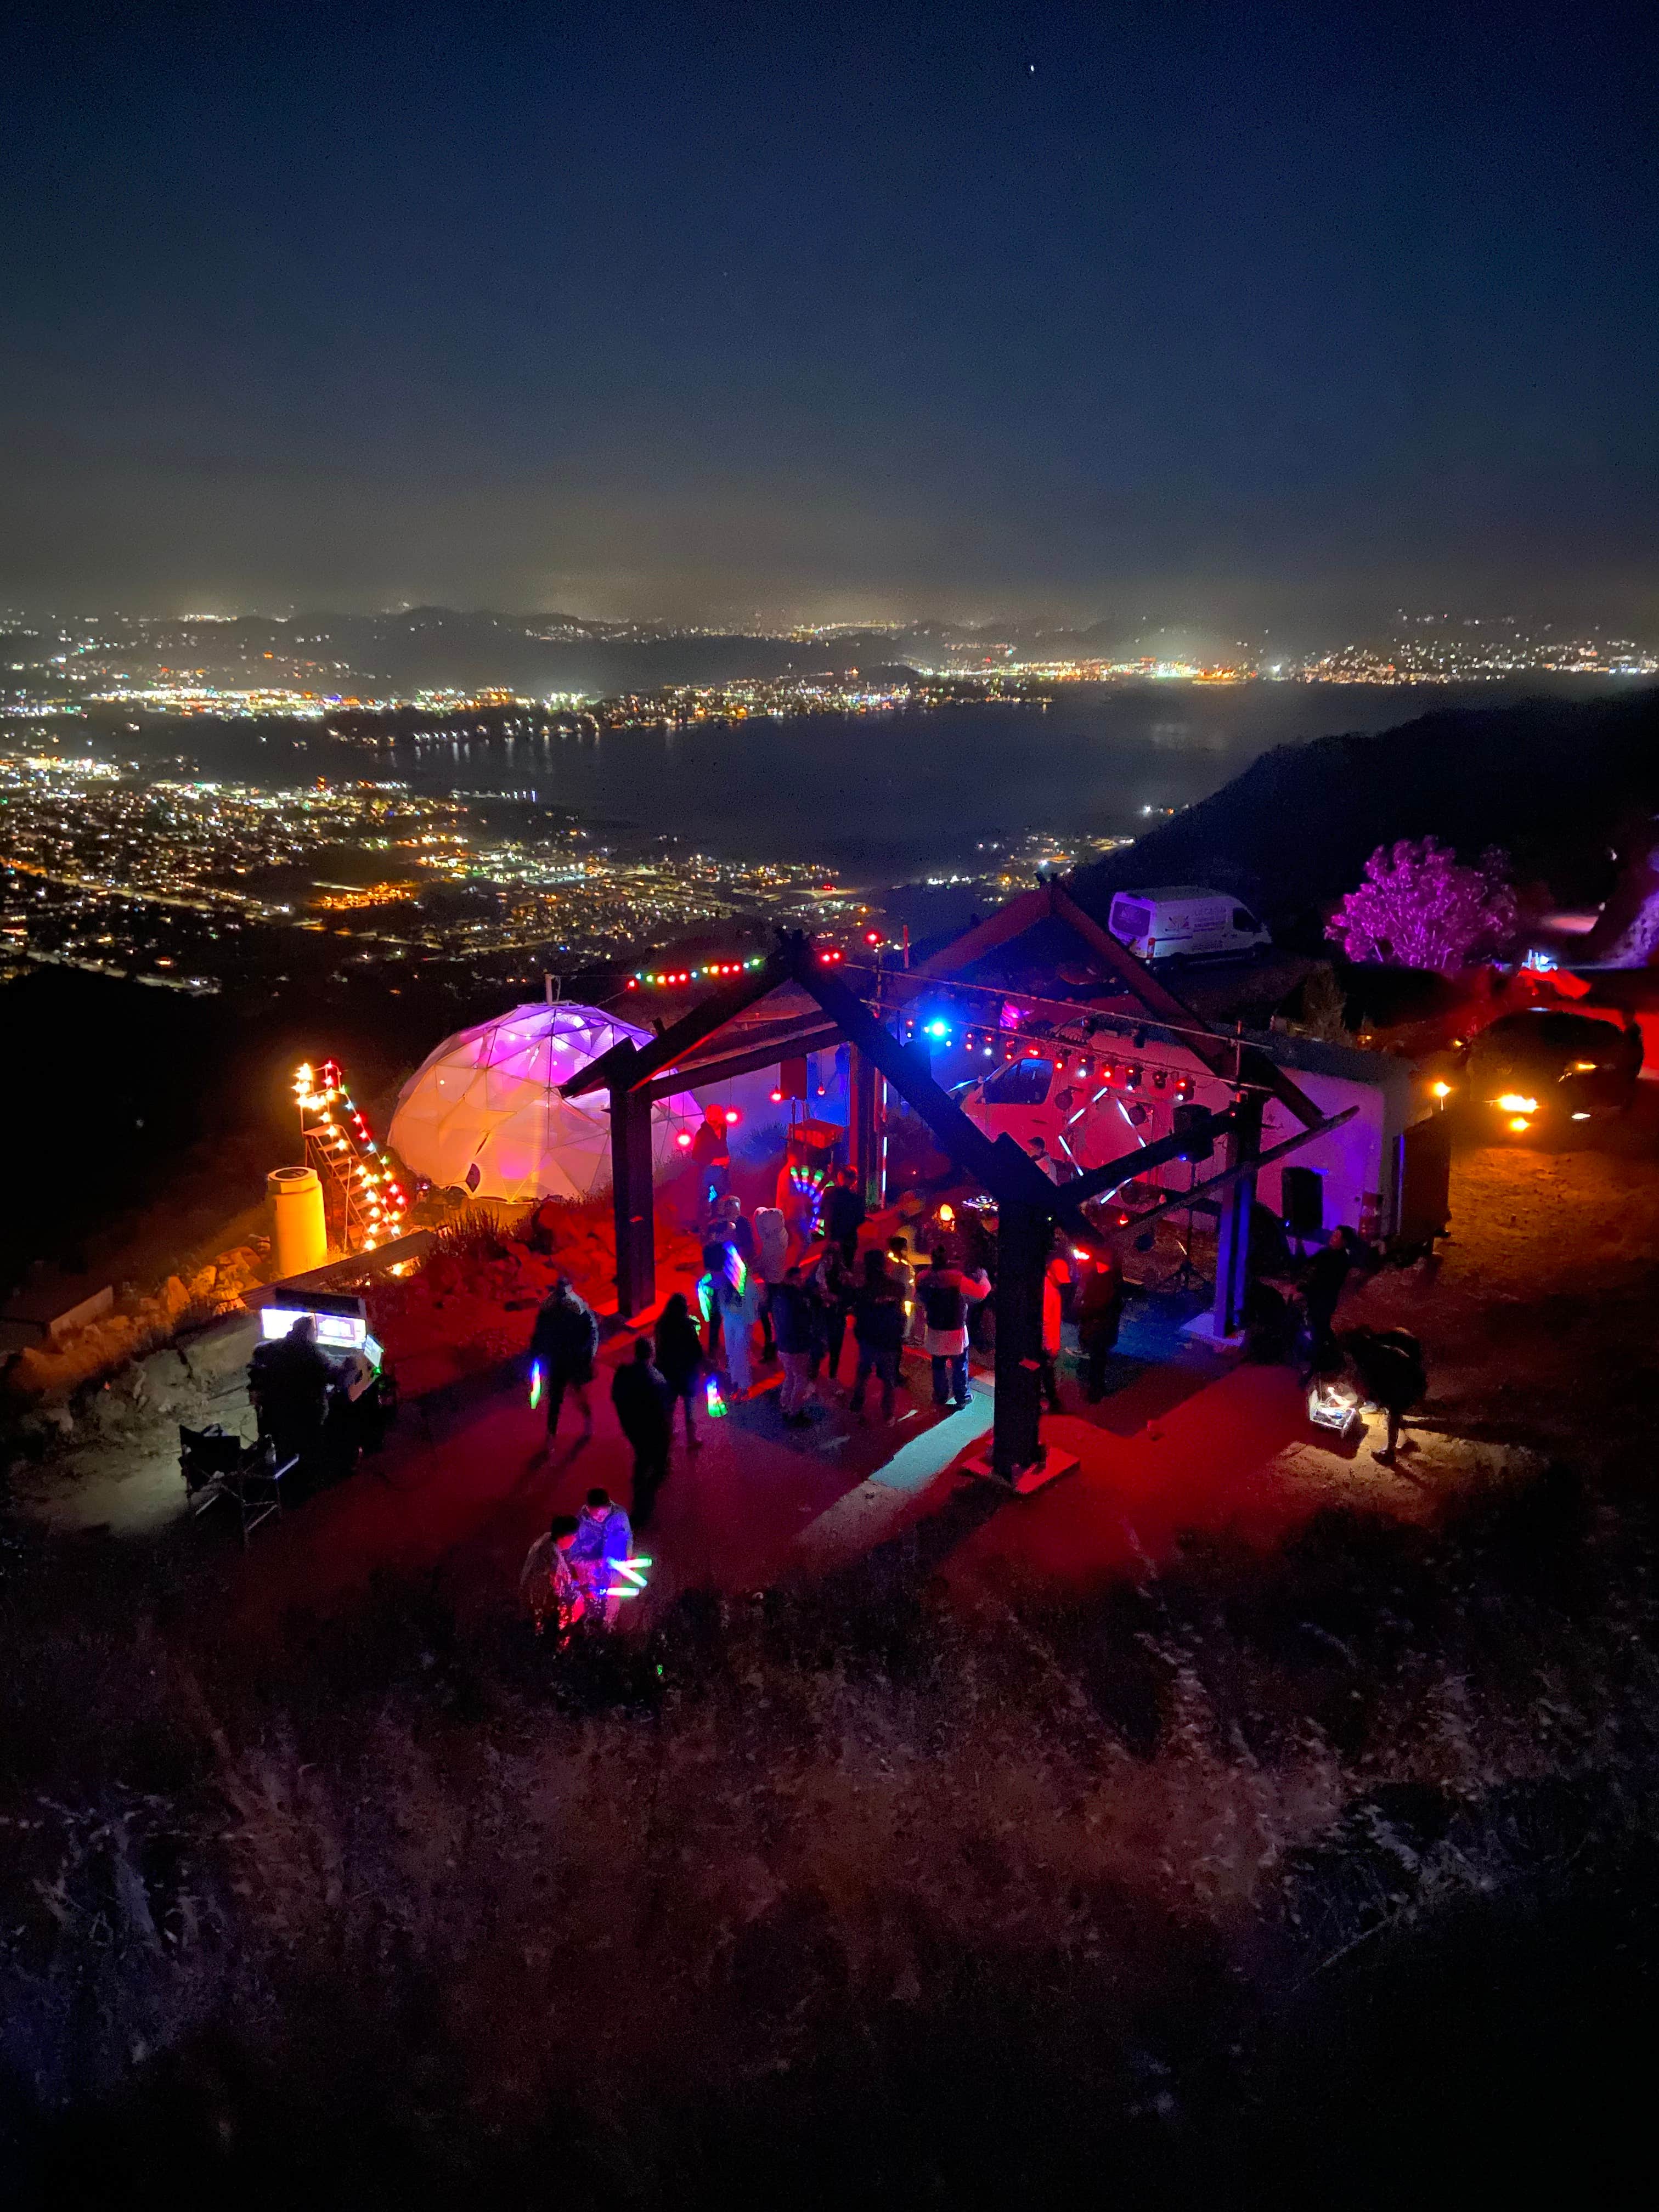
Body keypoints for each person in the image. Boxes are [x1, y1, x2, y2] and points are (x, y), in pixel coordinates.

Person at [250, 1313, 335, 1475]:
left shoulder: (271, 1348)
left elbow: (257, 1354)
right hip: (306, 1413)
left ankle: (286, 1473)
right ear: (310, 1334)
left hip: (276, 1413)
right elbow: (334, 1376)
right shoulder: (314, 1356)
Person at [1339, 1325, 1427, 1464]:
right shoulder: (1377, 1343)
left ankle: (1389, 1453)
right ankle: (1399, 1422)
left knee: (1393, 1411)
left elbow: (1383, 1392)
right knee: (1391, 1403)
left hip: (1410, 1385)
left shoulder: (1375, 1364)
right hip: (1414, 1376)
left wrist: (1360, 1400)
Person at [917, 1247, 990, 1410]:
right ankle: (962, 1397)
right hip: (955, 1329)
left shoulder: (923, 1277)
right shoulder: (957, 1278)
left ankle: (940, 1395)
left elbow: (918, 1299)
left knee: (938, 1365)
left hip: (935, 1329)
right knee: (960, 1365)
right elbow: (981, 1293)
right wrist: (982, 1275)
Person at [529, 1274, 599, 1444]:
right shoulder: (577, 1306)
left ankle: (552, 1436)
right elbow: (591, 1330)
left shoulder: (549, 1309)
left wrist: (537, 1353)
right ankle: (587, 1423)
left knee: (557, 1399)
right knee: (576, 1394)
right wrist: (588, 1354)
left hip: (560, 1361)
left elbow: (539, 1333)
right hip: (572, 1360)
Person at [612, 1339, 674, 1530]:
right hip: (652, 1430)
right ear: (651, 1354)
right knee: (656, 1466)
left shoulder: (624, 1374)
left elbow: (616, 1395)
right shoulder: (658, 1380)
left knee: (642, 1459)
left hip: (632, 1427)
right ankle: (642, 1507)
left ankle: (640, 1490)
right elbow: (663, 1411)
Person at [849, 1249, 907, 1421]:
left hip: (868, 1340)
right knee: (889, 1380)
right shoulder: (897, 1288)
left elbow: (858, 1314)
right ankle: (888, 1413)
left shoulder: (862, 1291)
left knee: (863, 1373)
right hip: (889, 1341)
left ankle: (857, 1403)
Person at [569, 1487, 634, 1629]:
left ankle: (609, 1623)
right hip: (589, 1573)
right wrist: (591, 1565)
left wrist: (625, 1558)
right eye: (597, 1517)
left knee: (613, 1597)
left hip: (613, 1569)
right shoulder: (579, 1524)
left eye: (604, 1515)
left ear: (610, 1506)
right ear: (587, 1508)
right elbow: (573, 1556)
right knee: (591, 1601)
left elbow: (628, 1537)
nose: (601, 1520)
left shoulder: (620, 1516)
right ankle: (590, 1622)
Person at [770, 1262, 824, 1424]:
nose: (801, 1282)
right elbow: (803, 1323)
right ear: (793, 1280)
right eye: (799, 1279)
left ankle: (785, 1404)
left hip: (783, 1345)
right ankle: (794, 1412)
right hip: (796, 1346)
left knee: (790, 1376)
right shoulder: (796, 1300)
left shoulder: (778, 1296)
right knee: (800, 1379)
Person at [520, 1512, 584, 1639]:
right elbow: (560, 1586)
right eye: (574, 1536)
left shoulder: (547, 1539)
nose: (575, 1540)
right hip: (538, 1602)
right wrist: (581, 1590)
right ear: (566, 1536)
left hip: (530, 1592)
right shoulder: (553, 1556)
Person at [653, 1291, 704, 1447]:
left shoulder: (661, 1325)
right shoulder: (687, 1328)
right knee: (689, 1408)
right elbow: (697, 1352)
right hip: (686, 1374)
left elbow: (659, 1349)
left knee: (669, 1406)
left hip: (668, 1372)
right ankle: (692, 1439)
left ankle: (669, 1434)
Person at [1301, 1227, 1357, 1372]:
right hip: (1320, 1300)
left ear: (1344, 1242)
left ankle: (1321, 1365)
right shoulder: (1328, 1254)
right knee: (1320, 1330)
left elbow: (1326, 1281)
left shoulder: (1340, 1260)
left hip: (1325, 1301)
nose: (1333, 1237)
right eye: (1334, 1234)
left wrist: (1308, 1288)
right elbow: (1309, 1263)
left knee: (1321, 1330)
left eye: (1337, 1236)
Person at [1075, 1247, 1126, 1401]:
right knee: (1098, 1361)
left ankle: (1096, 1390)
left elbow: (1090, 1304)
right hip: (1100, 1330)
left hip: (1097, 1329)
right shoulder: (1109, 1281)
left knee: (1097, 1361)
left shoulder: (1099, 1280)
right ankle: (1096, 1390)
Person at [810, 1235, 857, 1385]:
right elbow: (810, 1290)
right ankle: (814, 1374)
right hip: (822, 1316)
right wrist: (821, 1295)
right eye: (830, 1254)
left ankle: (832, 1376)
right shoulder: (818, 1271)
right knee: (820, 1346)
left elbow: (849, 1294)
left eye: (835, 1254)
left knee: (836, 1348)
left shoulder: (842, 1272)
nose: (831, 1258)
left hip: (837, 1316)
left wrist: (838, 1300)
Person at [717, 1258, 763, 1398]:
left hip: (742, 1323)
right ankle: (735, 1381)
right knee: (732, 1352)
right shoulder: (727, 1282)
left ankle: (743, 1386)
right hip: (731, 1321)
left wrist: (749, 1321)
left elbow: (753, 1304)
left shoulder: (748, 1286)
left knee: (741, 1354)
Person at [753, 1203, 789, 1358]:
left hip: (772, 1282)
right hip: (778, 1278)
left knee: (765, 1312)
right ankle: (776, 1342)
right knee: (775, 1315)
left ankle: (771, 1344)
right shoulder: (782, 1233)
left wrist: (748, 1267)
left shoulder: (773, 1245)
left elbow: (762, 1264)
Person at [1039, 1250, 1069, 1414]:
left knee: (1046, 1372)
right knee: (1047, 1372)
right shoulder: (1049, 1292)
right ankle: (1051, 1400)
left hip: (1047, 1342)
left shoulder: (1048, 1287)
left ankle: (1050, 1398)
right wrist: (1050, 1346)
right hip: (1046, 1345)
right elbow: (1046, 1323)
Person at [690, 1103, 731, 1209]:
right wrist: (715, 1161)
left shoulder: (723, 1128)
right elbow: (696, 1155)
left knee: (724, 1197)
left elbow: (723, 1145)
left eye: (717, 1114)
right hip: (709, 1171)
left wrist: (726, 1160)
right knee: (709, 1199)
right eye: (711, 1114)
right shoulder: (702, 1134)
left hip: (723, 1169)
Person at [825, 1165, 866, 1265]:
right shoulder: (857, 1198)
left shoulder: (830, 1193)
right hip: (849, 1238)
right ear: (853, 1180)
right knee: (847, 1265)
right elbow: (860, 1219)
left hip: (833, 1235)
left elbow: (824, 1212)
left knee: (832, 1265)